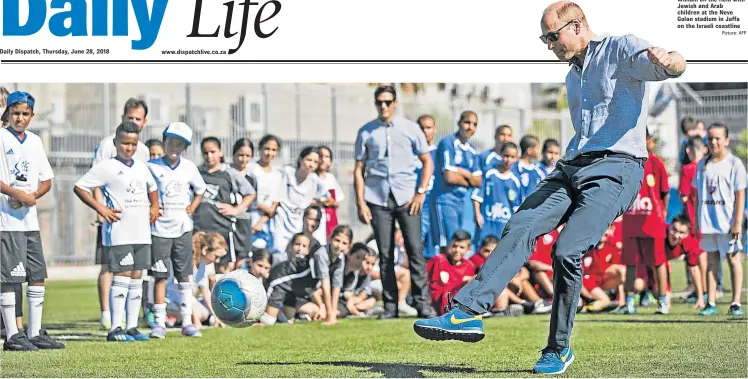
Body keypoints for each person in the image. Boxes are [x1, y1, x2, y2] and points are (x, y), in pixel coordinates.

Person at [413, 2, 687, 374]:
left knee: (566, 251)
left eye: (551, 36)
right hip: (573, 167)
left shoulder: (620, 49)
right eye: (543, 38)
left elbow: (671, 64)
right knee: (522, 224)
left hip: (617, 168)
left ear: (576, 26)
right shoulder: (573, 76)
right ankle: (466, 312)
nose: (547, 44)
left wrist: (670, 59)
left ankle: (557, 349)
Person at [353, 85, 436, 319]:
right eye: (380, 102)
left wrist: (421, 192)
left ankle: (422, 304)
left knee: (415, 250)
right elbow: (359, 169)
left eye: (388, 102)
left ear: (396, 103)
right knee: (385, 252)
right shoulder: (366, 132)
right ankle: (391, 307)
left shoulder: (410, 129)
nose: (384, 106)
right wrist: (360, 202)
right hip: (377, 198)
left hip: (408, 197)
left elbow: (427, 161)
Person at [74, 121, 160, 342]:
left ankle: (131, 326)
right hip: (120, 231)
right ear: (116, 142)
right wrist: (101, 208)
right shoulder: (107, 167)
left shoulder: (142, 166)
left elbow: (153, 188)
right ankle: (115, 328)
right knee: (121, 276)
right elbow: (80, 187)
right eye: (124, 143)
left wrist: (155, 206)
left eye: (132, 144)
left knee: (137, 277)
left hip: (142, 232)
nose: (128, 148)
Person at [0, 91, 64, 351]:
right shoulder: (1, 138)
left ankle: (35, 332)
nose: (20, 118)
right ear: (8, 113)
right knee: (10, 276)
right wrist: (17, 195)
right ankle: (13, 335)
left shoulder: (36, 142)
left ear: (32, 115)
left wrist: (32, 196)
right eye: (15, 113)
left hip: (29, 222)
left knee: (36, 275)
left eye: (25, 113)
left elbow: (46, 179)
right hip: (7, 220)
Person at [92, 98, 151, 330]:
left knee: (136, 268)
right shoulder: (108, 145)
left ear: (145, 121)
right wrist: (100, 208)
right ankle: (107, 313)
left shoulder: (143, 150)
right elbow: (96, 178)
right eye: (130, 118)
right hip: (113, 217)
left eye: (138, 119)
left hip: (136, 220)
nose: (134, 122)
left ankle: (132, 319)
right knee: (109, 265)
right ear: (122, 118)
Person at [146, 122, 208, 339]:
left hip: (183, 229)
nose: (174, 146)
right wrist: (151, 207)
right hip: (159, 230)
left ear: (185, 147)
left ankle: (187, 322)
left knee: (184, 277)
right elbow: (145, 192)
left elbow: (201, 190)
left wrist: (192, 206)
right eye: (171, 141)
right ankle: (159, 324)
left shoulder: (189, 167)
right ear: (165, 141)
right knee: (160, 276)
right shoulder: (151, 166)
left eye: (180, 143)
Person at [694, 123, 745, 316]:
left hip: (728, 222)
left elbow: (740, 195)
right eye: (710, 138)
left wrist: (737, 222)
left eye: (718, 138)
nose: (714, 142)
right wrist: (697, 220)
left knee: (733, 260)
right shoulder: (703, 164)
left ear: (726, 140)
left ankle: (736, 303)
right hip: (708, 221)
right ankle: (711, 302)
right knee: (712, 262)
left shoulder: (734, 163)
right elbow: (699, 194)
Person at [260, 225, 352, 326]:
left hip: (295, 290)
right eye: (337, 240)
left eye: (344, 243)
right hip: (281, 280)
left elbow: (336, 287)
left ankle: (277, 314)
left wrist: (333, 315)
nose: (339, 245)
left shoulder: (340, 258)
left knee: (287, 322)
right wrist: (329, 315)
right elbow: (325, 285)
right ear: (330, 238)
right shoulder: (321, 253)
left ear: (349, 246)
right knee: (267, 322)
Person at [620, 131, 670, 315]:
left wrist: (661, 213)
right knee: (630, 263)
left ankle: (663, 301)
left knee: (658, 262)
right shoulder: (626, 163)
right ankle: (630, 303)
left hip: (652, 222)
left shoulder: (656, 164)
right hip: (631, 221)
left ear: (649, 141)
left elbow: (665, 192)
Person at [194, 137, 256, 273]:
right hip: (200, 230)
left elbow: (250, 193)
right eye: (205, 153)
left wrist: (236, 210)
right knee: (199, 270)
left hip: (222, 230)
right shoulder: (196, 172)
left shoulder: (229, 173)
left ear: (221, 152)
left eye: (213, 152)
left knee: (223, 269)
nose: (209, 156)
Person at [268, 147, 328, 263]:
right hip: (282, 221)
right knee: (279, 253)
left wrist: (316, 202)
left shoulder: (314, 180)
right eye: (309, 160)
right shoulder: (287, 172)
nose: (311, 164)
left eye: (315, 162)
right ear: (301, 159)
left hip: (298, 223)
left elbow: (325, 198)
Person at [472, 142, 522, 244]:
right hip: (487, 222)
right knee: (484, 251)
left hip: (504, 225)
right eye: (506, 156)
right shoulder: (489, 174)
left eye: (512, 157)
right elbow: (477, 197)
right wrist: (477, 214)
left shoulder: (515, 180)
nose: (509, 160)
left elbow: (517, 207)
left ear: (517, 158)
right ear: (500, 155)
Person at [426, 231, 477, 315]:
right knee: (447, 294)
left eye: (461, 247)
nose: (457, 250)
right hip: (437, 305)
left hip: (459, 304)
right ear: (449, 245)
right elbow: (426, 281)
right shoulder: (438, 261)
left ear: (469, 249)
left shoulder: (470, 266)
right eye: (454, 246)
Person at [247, 135, 283, 252]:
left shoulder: (277, 174)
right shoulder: (251, 169)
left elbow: (276, 200)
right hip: (252, 218)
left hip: (268, 222)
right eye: (267, 149)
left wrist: (265, 218)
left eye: (273, 150)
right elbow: (250, 197)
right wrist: (265, 209)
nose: (269, 153)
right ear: (260, 149)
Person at [230, 138, 258, 268]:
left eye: (247, 156)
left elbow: (252, 206)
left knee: (240, 262)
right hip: (227, 221)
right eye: (240, 155)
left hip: (243, 221)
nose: (243, 159)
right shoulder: (226, 173)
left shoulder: (251, 179)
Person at [416, 115, 439, 260]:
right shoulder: (410, 153)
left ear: (435, 129)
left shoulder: (440, 153)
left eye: (428, 127)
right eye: (421, 128)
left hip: (434, 205)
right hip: (416, 205)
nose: (425, 131)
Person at [316, 145, 345, 242]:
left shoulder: (330, 178)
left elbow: (337, 202)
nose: (323, 159)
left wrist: (331, 202)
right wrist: (320, 202)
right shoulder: (310, 177)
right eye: (320, 156)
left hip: (329, 221)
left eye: (327, 157)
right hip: (314, 219)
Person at [512, 135, 546, 202]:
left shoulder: (538, 170)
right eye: (538, 148)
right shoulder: (515, 168)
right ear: (529, 151)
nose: (540, 151)